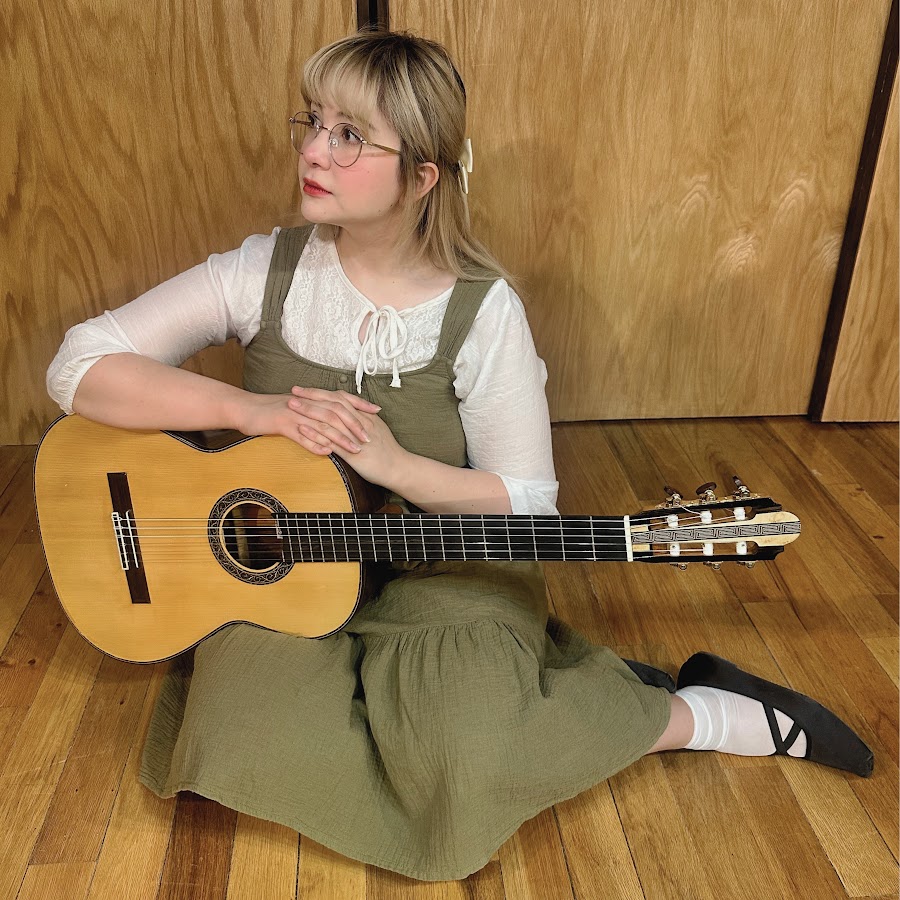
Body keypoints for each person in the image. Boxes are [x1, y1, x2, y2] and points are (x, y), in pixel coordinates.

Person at [46, 28, 873, 883]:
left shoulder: (484, 311)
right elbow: (78, 366)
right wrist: (248, 409)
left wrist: (395, 466)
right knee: (237, 740)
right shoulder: (262, 271)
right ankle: (516, 702)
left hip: (444, 565)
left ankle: (698, 713)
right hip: (287, 561)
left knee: (463, 758)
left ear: (422, 176)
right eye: (314, 121)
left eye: (350, 135)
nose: (315, 151)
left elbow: (528, 505)